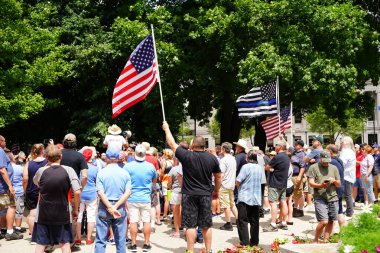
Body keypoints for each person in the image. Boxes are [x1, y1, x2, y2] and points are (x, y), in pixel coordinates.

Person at [162, 121, 222, 253]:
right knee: (206, 225)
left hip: (189, 195)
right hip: (206, 194)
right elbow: (218, 176)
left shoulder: (187, 155)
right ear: (204, 145)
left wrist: (166, 129)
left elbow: (172, 144)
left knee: (190, 225)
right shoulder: (212, 158)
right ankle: (208, 250)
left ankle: (190, 250)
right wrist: (216, 191)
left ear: (193, 145)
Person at [31, 145, 81, 253]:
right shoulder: (69, 170)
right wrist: (76, 209)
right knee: (65, 243)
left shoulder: (41, 170)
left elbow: (36, 182)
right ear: (61, 157)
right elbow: (77, 191)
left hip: (43, 213)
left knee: (41, 243)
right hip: (63, 212)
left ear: (46, 158)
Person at [95, 148, 131, 253]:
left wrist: (110, 207)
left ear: (106, 157)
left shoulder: (101, 173)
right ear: (118, 158)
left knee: (101, 240)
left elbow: (100, 192)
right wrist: (115, 206)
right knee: (120, 240)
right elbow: (128, 192)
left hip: (104, 207)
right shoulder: (124, 173)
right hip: (119, 207)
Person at [124, 144, 157, 252]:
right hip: (145, 197)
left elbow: (124, 181)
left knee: (133, 221)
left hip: (132, 197)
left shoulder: (128, 166)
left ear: (135, 154)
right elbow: (154, 182)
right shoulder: (150, 166)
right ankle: (146, 243)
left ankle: (133, 244)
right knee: (146, 221)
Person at [60, 133, 88, 252]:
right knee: (73, 215)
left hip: (56, 188)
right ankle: (70, 243)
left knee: (53, 214)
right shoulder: (79, 156)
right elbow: (85, 176)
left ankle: (50, 242)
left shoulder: (58, 154)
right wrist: (80, 187)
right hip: (72, 189)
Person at [307, 150, 341, 243]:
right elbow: (311, 183)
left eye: (328, 160)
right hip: (320, 197)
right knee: (324, 221)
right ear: (320, 159)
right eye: (324, 160)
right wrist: (321, 185)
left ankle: (326, 239)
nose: (326, 162)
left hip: (333, 197)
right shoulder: (313, 167)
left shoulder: (334, 168)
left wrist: (333, 181)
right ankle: (315, 239)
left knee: (331, 221)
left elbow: (339, 184)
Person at [236, 150, 263, 246]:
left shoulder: (245, 167)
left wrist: (239, 188)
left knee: (242, 220)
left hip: (245, 197)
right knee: (254, 221)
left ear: (247, 158)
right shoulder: (259, 168)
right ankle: (254, 242)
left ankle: (244, 242)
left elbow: (238, 180)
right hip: (256, 197)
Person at [263, 141, 290, 232]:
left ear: (280, 147)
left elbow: (267, 167)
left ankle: (273, 224)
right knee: (283, 202)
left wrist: (271, 168)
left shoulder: (278, 157)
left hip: (275, 183)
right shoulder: (286, 156)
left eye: (277, 145)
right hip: (283, 183)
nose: (275, 146)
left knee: (273, 203)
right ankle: (284, 222)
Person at [23, 143, 47, 237]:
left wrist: (25, 190)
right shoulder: (47, 162)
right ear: (42, 151)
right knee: (45, 212)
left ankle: (34, 235)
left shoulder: (29, 163)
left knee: (32, 213)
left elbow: (25, 178)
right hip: (44, 191)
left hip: (31, 190)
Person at [0, 136, 22, 241]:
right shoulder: (0, 151)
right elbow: (2, 170)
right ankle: (9, 231)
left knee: (2, 209)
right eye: (4, 140)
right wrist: (9, 185)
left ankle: (3, 230)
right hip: (3, 186)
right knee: (11, 207)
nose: (6, 142)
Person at [75, 148, 98, 245]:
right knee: (91, 216)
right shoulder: (95, 168)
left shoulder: (79, 168)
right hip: (92, 194)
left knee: (79, 216)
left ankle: (78, 238)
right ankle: (88, 238)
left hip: (80, 194)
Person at [218, 142, 238, 231]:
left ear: (223, 149)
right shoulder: (233, 159)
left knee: (226, 205)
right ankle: (238, 220)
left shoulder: (223, 160)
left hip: (225, 184)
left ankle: (228, 224)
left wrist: (218, 185)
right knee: (232, 204)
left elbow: (221, 174)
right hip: (231, 184)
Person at [326, 144, 345, 227]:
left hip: (334, 190)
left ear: (330, 151)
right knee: (340, 211)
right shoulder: (339, 160)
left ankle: (330, 234)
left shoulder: (332, 162)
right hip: (340, 188)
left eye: (326, 150)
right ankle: (343, 231)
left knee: (332, 214)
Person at [304, 135, 324, 210]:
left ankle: (310, 205)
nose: (312, 142)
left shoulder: (316, 151)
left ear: (318, 142)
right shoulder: (323, 150)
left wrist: (309, 159)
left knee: (311, 191)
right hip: (320, 174)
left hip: (313, 175)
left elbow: (305, 159)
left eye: (314, 141)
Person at [7, 152, 25, 234]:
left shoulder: (5, 168)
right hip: (18, 191)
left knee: (6, 210)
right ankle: (17, 227)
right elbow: (24, 178)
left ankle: (5, 228)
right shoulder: (19, 167)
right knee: (19, 210)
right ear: (13, 159)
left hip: (7, 191)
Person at [339, 136, 356, 218]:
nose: (340, 144)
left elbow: (341, 163)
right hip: (349, 175)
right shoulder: (350, 151)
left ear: (345, 143)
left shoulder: (346, 152)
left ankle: (350, 211)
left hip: (346, 176)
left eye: (341, 142)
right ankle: (350, 210)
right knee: (348, 194)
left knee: (348, 195)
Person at [168, 158, 183, 238]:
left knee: (176, 213)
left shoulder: (174, 169)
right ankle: (183, 228)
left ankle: (177, 231)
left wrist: (169, 187)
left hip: (176, 191)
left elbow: (169, 181)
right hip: (186, 192)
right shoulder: (187, 167)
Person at [291, 140, 306, 217]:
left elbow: (302, 166)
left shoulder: (301, 154)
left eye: (296, 144)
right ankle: (296, 208)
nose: (294, 145)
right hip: (292, 175)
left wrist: (300, 176)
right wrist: (282, 138)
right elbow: (288, 146)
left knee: (299, 193)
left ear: (300, 146)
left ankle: (300, 210)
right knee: (295, 193)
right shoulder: (294, 152)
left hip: (297, 175)